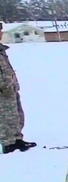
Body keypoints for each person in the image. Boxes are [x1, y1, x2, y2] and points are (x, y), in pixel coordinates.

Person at [0, 22, 36, 154]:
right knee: (5, 118)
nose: (1, 34)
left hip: (10, 88)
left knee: (16, 115)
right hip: (3, 91)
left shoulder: (1, 50)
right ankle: (8, 143)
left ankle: (17, 139)